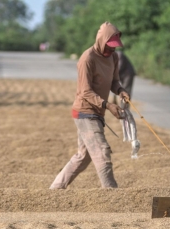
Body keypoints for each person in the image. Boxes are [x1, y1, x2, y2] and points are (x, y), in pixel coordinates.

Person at [50, 22, 130, 189]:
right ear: (101, 41)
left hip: (98, 113)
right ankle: (112, 193)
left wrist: (121, 90)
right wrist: (108, 105)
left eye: (115, 47)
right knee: (102, 151)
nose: (112, 50)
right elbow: (85, 91)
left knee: (83, 156)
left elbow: (114, 82)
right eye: (109, 47)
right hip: (84, 112)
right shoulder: (88, 58)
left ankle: (55, 189)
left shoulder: (114, 58)